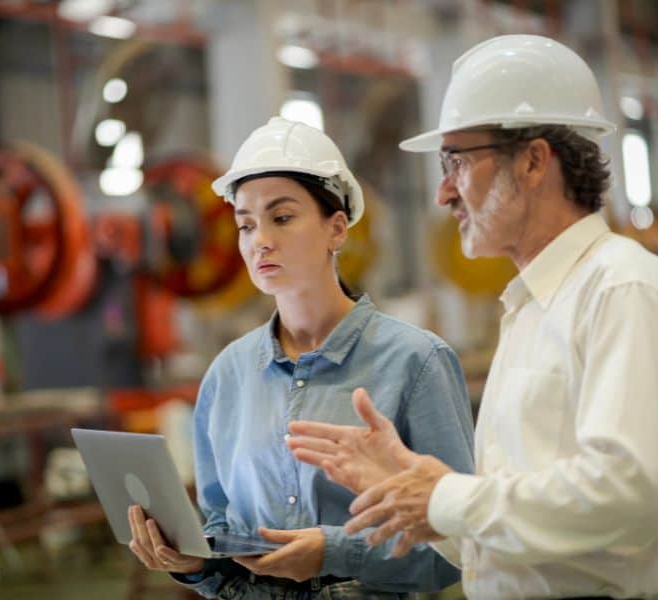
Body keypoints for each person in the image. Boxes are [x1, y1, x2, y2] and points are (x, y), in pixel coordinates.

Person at [287, 34, 658, 599]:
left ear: (535, 161)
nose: (443, 193)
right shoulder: (530, 308)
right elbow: (515, 532)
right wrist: (410, 494)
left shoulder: (621, 287)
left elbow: (630, 497)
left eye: (457, 162)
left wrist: (444, 497)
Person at [125, 116, 475, 599]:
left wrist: (332, 552)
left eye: (282, 217)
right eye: (245, 224)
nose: (260, 240)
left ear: (337, 229)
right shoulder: (229, 373)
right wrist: (191, 564)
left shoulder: (415, 362)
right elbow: (221, 527)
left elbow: (458, 546)